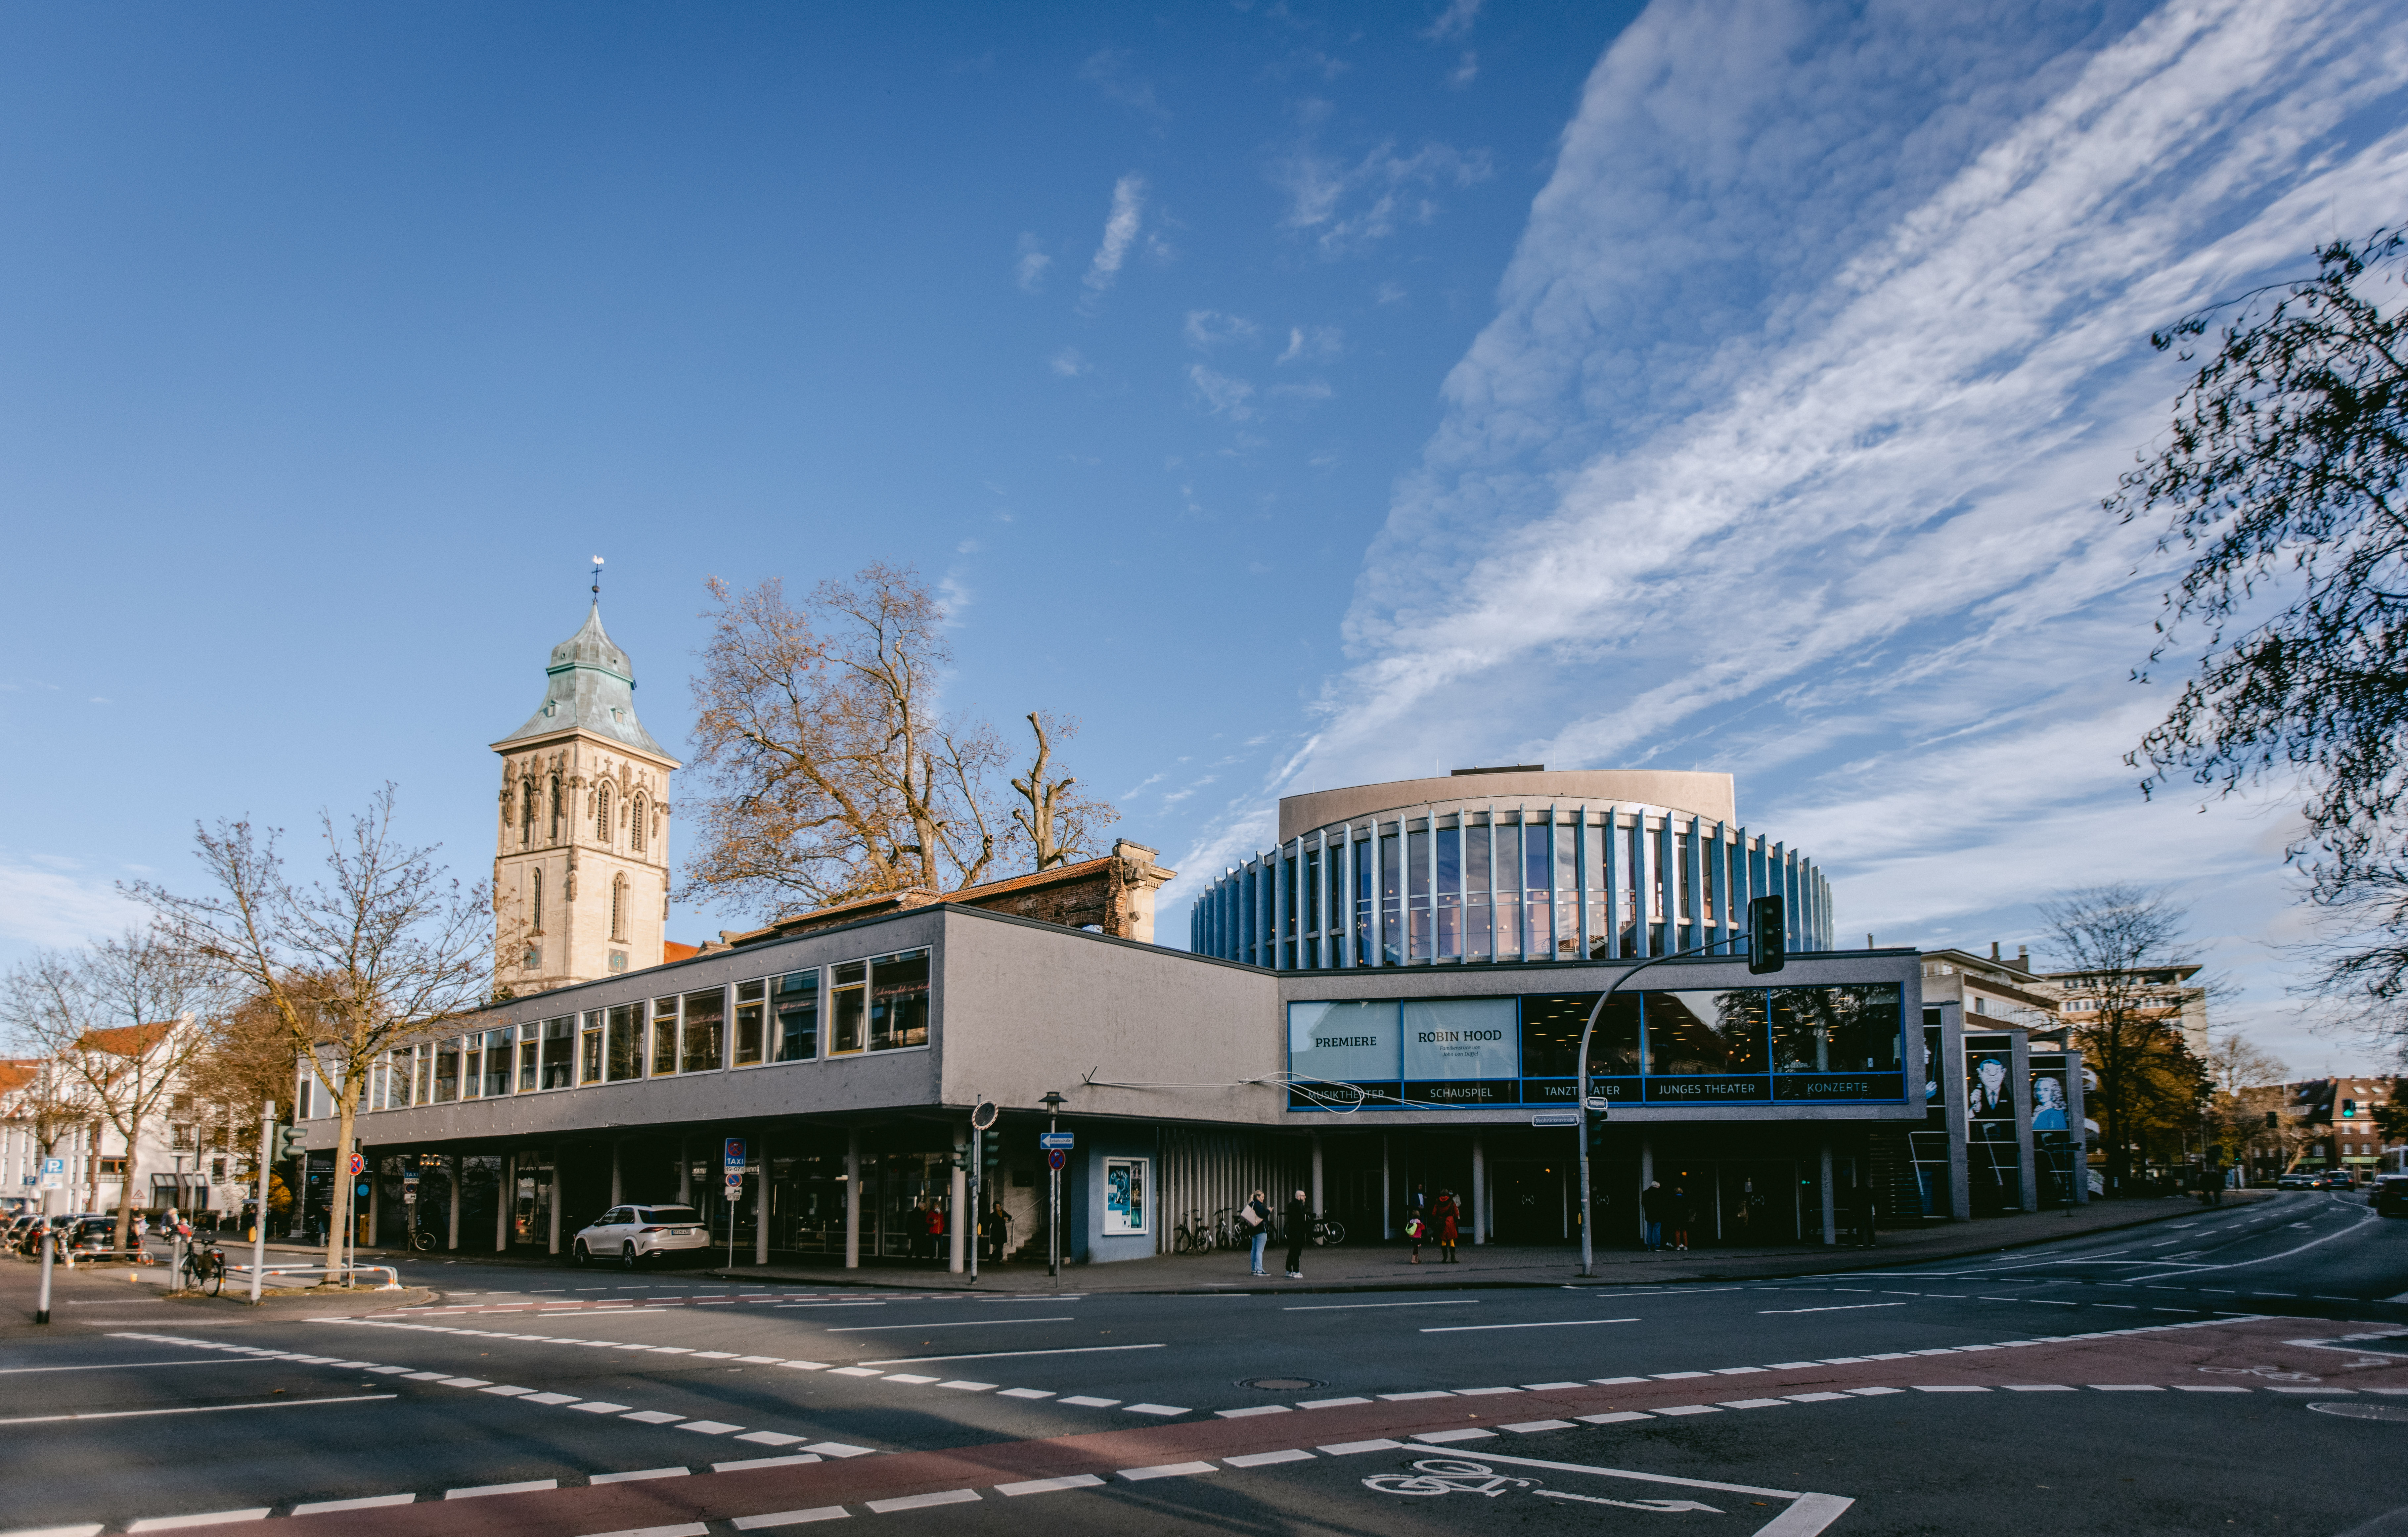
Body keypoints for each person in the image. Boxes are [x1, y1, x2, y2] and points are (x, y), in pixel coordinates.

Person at [1242, 1189, 1272, 1276]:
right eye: (1262, 1197)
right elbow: (1262, 1214)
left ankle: (1254, 1269)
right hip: (1261, 1230)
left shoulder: (1251, 1204)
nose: (1263, 1199)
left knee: (1254, 1250)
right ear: (1258, 1197)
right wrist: (1269, 1211)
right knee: (1260, 1251)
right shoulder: (1258, 1205)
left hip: (1254, 1230)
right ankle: (1260, 1270)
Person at [1283, 1188, 1311, 1279]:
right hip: (1299, 1232)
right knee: (1297, 1252)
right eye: (1303, 1196)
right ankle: (1296, 1271)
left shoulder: (1291, 1205)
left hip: (1292, 1231)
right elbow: (1302, 1220)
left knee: (1292, 1250)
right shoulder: (1300, 1206)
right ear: (1299, 1197)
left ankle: (1289, 1270)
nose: (1305, 1197)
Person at [1433, 1188, 1461, 1264]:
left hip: (1442, 1222)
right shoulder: (1452, 1202)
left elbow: (1434, 1214)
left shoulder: (1438, 1203)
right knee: (1451, 1240)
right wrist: (1454, 1220)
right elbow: (1456, 1213)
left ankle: (1445, 1258)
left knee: (1443, 1240)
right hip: (1450, 1222)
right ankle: (1453, 1258)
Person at [1639, 1180, 1668, 1252]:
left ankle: (1649, 1246)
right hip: (1658, 1215)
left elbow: (1643, 1203)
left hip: (1649, 1214)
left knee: (1650, 1230)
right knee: (1657, 1231)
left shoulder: (1645, 1193)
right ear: (1657, 1186)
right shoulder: (1660, 1193)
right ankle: (1657, 1246)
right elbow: (1663, 1204)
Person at [1848, 1182, 1877, 1248]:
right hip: (1868, 1210)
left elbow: (1851, 1201)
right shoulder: (1870, 1191)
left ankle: (1860, 1242)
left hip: (1858, 1211)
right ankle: (1872, 1242)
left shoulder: (1855, 1191)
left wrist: (1852, 1209)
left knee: (1859, 1227)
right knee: (1870, 1227)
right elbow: (1875, 1200)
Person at [1668, 1185, 1693, 1252]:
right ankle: (1686, 1246)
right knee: (1684, 1231)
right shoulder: (1685, 1198)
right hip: (1684, 1216)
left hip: (1676, 1216)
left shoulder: (1674, 1199)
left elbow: (1672, 1208)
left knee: (1677, 1231)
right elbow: (1688, 1208)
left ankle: (1678, 1246)